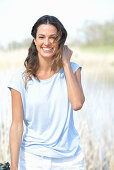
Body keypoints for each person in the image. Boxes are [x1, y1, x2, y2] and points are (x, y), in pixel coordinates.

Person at [8, 15, 85, 170]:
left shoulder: (73, 69)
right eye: (41, 37)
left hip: (70, 160)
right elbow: (16, 125)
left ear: (60, 41)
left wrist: (66, 62)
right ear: (35, 40)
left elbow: (77, 104)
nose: (47, 42)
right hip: (32, 159)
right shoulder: (20, 78)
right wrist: (14, 166)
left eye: (53, 37)